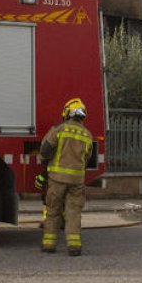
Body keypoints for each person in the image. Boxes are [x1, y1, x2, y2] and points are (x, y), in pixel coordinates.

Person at [37, 97, 98, 256]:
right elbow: (87, 158)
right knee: (73, 213)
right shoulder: (87, 135)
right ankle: (74, 247)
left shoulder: (59, 129)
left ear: (67, 112)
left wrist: (45, 166)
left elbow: (45, 149)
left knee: (53, 211)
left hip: (57, 179)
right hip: (77, 181)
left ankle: (49, 245)